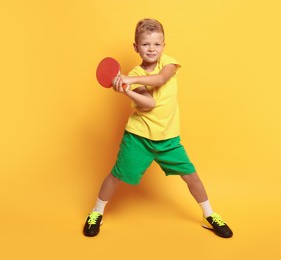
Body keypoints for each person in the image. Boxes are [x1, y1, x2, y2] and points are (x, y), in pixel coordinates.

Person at [83, 18, 233, 238]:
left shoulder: (168, 63)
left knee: (191, 176)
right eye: (145, 44)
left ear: (164, 45)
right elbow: (149, 104)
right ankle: (96, 212)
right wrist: (126, 89)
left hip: (168, 139)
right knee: (116, 176)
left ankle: (209, 215)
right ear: (136, 47)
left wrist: (127, 81)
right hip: (139, 137)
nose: (151, 49)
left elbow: (161, 79)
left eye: (156, 44)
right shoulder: (134, 74)